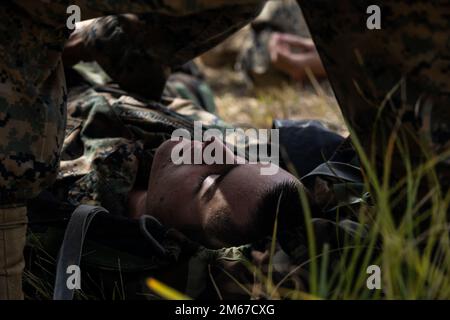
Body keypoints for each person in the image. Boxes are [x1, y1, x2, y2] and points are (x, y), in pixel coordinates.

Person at [0, 0, 268, 300]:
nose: (213, 148)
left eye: (211, 183)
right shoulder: (202, 143)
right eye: (235, 159)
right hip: (111, 69)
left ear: (170, 234)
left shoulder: (55, 195)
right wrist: (89, 40)